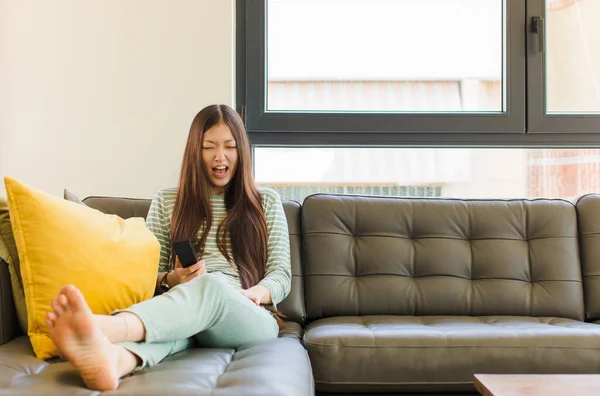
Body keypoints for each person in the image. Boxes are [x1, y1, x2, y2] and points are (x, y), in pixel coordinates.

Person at [44, 104, 292, 391]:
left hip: (249, 316)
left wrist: (253, 294)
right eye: (209, 146)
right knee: (178, 321)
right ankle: (115, 360)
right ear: (194, 152)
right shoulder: (166, 202)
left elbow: (281, 275)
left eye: (230, 146)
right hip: (187, 308)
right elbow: (148, 274)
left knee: (209, 286)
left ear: (242, 152)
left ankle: (107, 328)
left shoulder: (266, 203)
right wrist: (173, 279)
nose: (220, 156)